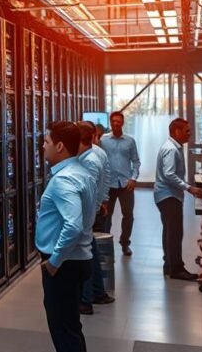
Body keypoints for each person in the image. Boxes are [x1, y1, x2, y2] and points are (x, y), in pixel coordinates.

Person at [36, 121, 96, 352]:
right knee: (70, 326)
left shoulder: (64, 180)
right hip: (79, 258)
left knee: (63, 330)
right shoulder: (81, 172)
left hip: (65, 264)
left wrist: (54, 261)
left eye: (47, 141)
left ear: (60, 146)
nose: (43, 145)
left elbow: (73, 225)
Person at [154, 118, 202, 281]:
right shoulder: (171, 149)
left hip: (167, 194)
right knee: (175, 233)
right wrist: (189, 188)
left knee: (169, 231)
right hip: (168, 195)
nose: (189, 134)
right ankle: (176, 269)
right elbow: (169, 174)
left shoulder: (174, 147)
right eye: (187, 131)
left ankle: (169, 265)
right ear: (176, 132)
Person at [77, 122, 114, 315]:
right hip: (93, 210)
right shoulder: (97, 154)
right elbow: (106, 178)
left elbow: (87, 190)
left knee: (85, 255)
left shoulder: (90, 160)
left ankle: (86, 299)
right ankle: (99, 292)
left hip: (86, 213)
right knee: (91, 250)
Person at [99, 111, 140, 256]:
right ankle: (105, 243)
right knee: (106, 215)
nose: (116, 124)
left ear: (122, 123)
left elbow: (136, 161)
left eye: (118, 121)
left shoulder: (130, 141)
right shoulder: (103, 140)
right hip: (108, 184)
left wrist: (133, 178)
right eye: (113, 121)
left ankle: (125, 243)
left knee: (128, 215)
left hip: (125, 184)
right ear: (110, 123)